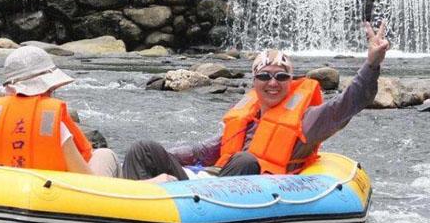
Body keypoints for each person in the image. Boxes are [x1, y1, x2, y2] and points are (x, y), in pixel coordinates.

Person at [122, 21, 390, 181]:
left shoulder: (309, 120)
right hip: (207, 185)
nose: (272, 83)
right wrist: (168, 157)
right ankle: (134, 206)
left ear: (290, 81)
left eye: (281, 77)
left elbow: (351, 102)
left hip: (251, 193)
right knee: (142, 149)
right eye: (264, 76)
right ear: (254, 81)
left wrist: (372, 63)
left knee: (245, 161)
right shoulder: (247, 117)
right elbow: (204, 152)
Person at [0, 46, 122, 178]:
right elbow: (84, 178)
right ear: (47, 87)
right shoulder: (50, 123)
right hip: (53, 196)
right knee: (106, 154)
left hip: (9, 191)